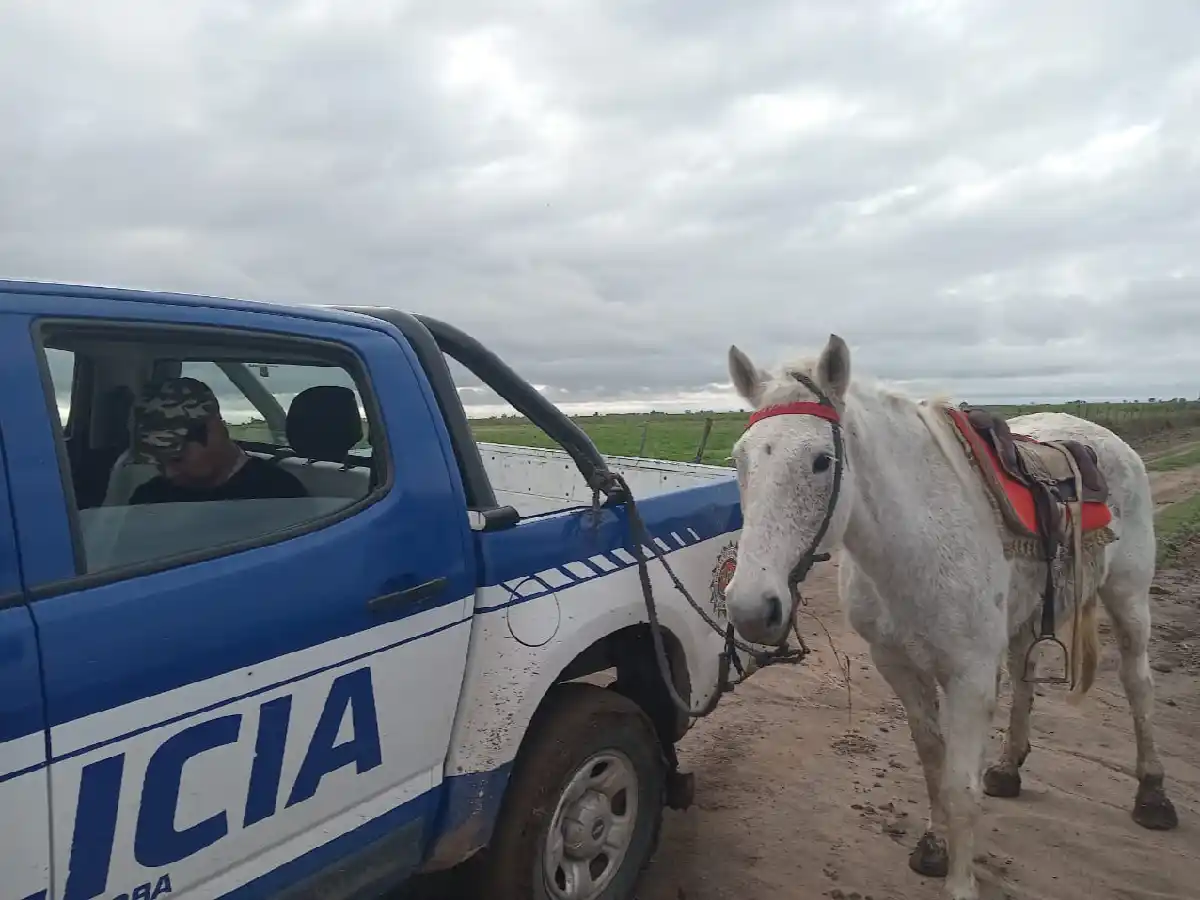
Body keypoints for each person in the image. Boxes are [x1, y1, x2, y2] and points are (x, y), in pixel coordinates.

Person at [128, 376, 308, 504]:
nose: (168, 473)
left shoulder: (277, 495)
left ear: (214, 431)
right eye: (159, 462)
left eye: (177, 458)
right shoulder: (149, 497)